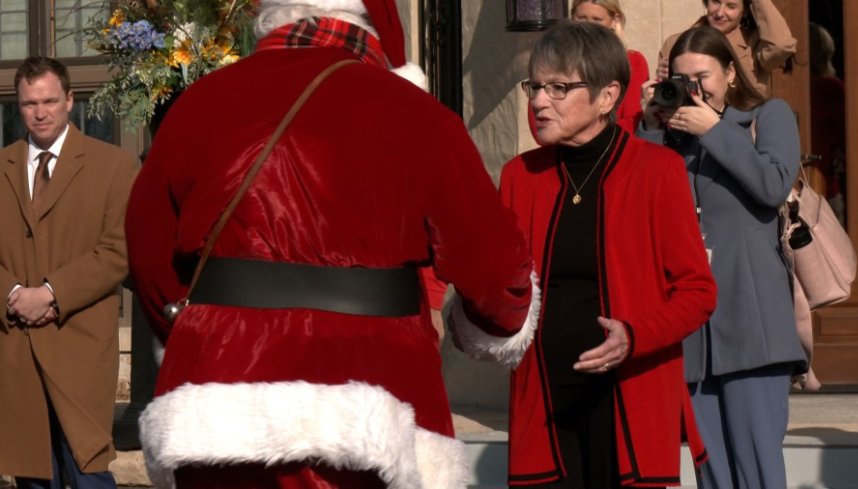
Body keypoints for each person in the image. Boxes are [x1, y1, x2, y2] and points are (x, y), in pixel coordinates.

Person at [126, 0, 535, 488]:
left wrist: (210, 327)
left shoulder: (199, 103)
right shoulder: (415, 112)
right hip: (373, 398)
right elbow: (493, 268)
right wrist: (493, 323)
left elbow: (148, 248)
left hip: (215, 399)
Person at [450, 21, 716, 488]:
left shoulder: (657, 171)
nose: (539, 101)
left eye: (558, 87)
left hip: (628, 396)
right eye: (534, 86)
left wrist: (634, 336)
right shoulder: (519, 176)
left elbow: (697, 292)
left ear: (607, 96)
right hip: (544, 403)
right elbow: (498, 278)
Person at [638, 26, 807, 489]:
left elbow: (772, 185)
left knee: (758, 474)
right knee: (711, 475)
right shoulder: (666, 139)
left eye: (703, 77)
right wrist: (650, 129)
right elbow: (636, 204)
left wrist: (714, 130)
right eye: (681, 79)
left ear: (731, 73)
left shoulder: (767, 116)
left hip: (753, 324)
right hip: (691, 333)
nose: (693, 89)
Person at [0, 56, 137, 489]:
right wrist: (12, 294)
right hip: (17, 348)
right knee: (32, 475)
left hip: (79, 345)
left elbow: (119, 250)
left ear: (70, 100)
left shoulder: (114, 165)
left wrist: (51, 293)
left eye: (49, 101)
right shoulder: (2, 165)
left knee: (87, 472)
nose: (40, 112)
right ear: (18, 105)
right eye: (29, 103)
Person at [656, 0, 796, 96]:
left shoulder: (754, 46)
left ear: (744, 11)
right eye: (715, 1)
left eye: (731, 6)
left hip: (741, 129)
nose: (720, 13)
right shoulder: (675, 43)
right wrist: (667, 80)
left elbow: (781, 46)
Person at [570, 0, 649, 132]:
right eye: (582, 18)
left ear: (614, 20)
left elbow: (633, 119)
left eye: (597, 19)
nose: (589, 27)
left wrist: (590, 135)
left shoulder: (633, 62)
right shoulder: (559, 61)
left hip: (616, 141)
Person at [809, 22, 846, 225]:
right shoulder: (830, 89)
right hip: (825, 186)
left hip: (818, 183)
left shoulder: (828, 89)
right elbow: (849, 139)